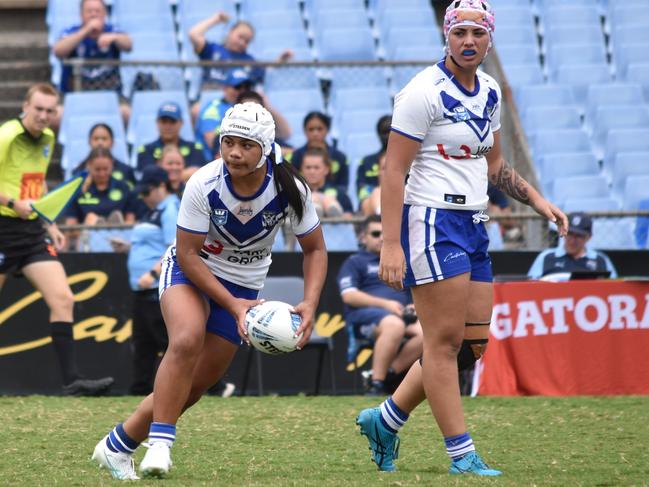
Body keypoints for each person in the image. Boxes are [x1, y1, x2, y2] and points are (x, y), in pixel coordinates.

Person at [356, 0, 569, 476]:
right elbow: (393, 169)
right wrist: (391, 244)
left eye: (477, 32)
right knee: (444, 343)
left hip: (473, 224)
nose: (468, 41)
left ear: (489, 39)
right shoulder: (422, 91)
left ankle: (385, 419)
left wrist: (537, 200)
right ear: (446, 37)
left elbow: (494, 166)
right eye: (460, 32)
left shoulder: (489, 90)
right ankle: (461, 454)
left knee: (471, 346)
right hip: (431, 221)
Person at [91, 102, 327, 480]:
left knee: (198, 383)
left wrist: (311, 303)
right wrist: (233, 306)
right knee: (185, 340)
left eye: (246, 145)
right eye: (227, 142)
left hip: (245, 286)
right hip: (191, 271)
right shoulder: (203, 182)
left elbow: (314, 249)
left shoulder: (290, 189)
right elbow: (186, 254)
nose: (234, 152)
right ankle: (162, 443)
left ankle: (117, 446)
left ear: (265, 148)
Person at [0, 83, 114, 396]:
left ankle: (71, 382)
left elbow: (32, 188)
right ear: (26, 106)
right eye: (38, 109)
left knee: (63, 298)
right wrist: (11, 205)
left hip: (31, 231)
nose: (44, 116)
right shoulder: (7, 135)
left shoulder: (48, 139)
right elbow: (14, 196)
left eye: (50, 111)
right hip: (3, 227)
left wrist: (48, 222)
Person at [338, 215, 423, 395]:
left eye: (386, 233)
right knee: (394, 325)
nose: (382, 238)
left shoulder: (402, 262)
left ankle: (387, 376)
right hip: (364, 319)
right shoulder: (354, 262)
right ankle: (377, 384)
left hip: (401, 315)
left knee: (428, 333)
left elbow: (414, 293)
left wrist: (414, 306)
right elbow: (349, 296)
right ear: (363, 237)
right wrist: (386, 305)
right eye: (376, 233)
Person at [120, 166, 179, 395]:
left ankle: (212, 386)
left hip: (157, 287)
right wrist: (128, 247)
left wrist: (153, 273)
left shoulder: (170, 208)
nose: (144, 197)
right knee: (143, 343)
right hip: (143, 289)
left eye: (148, 191)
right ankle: (140, 389)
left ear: (161, 187)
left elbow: (175, 247)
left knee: (166, 341)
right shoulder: (154, 210)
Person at [53, 0, 132, 121]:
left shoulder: (112, 30)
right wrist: (85, 31)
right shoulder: (71, 31)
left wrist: (114, 37)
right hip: (73, 94)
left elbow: (129, 45)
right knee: (55, 116)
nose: (93, 14)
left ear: (105, 14)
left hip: (111, 96)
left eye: (97, 11)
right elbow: (58, 51)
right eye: (89, 11)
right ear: (81, 14)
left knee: (127, 114)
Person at [528, 212, 618, 280]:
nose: (573, 240)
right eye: (569, 234)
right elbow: (530, 285)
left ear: (589, 237)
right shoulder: (546, 257)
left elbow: (614, 288)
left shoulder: (600, 260)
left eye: (579, 236)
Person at [194, 69, 253, 160]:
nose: (242, 91)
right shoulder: (213, 108)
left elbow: (282, 134)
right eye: (237, 87)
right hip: (213, 161)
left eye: (247, 87)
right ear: (225, 88)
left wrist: (265, 103)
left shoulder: (254, 108)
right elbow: (211, 140)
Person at [136, 102, 206, 172]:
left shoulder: (194, 149)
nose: (168, 126)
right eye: (164, 121)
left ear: (181, 123)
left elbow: (198, 174)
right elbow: (148, 176)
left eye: (172, 122)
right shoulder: (146, 150)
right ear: (157, 123)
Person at [287, 112, 349, 188]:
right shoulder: (294, 157)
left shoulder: (340, 157)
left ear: (327, 130)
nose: (315, 133)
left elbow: (343, 187)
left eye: (320, 129)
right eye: (311, 129)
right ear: (304, 131)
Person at [72, 123, 136, 189]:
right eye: (96, 139)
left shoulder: (126, 170)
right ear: (89, 142)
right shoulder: (79, 171)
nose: (100, 143)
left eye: (104, 139)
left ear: (112, 142)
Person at [301, 146, 354, 219]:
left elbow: (350, 217)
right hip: (304, 228)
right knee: (313, 199)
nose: (312, 171)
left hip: (335, 229)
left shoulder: (340, 193)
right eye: (308, 167)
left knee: (329, 202)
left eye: (316, 167)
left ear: (326, 170)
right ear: (302, 170)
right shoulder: (296, 193)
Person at [357, 115, 391, 204]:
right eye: (385, 132)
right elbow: (361, 192)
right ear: (378, 134)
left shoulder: (410, 162)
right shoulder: (366, 162)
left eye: (391, 132)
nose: (389, 136)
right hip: (370, 203)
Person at [360, 152, 386, 216]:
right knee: (377, 191)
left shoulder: (405, 189)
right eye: (384, 168)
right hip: (373, 221)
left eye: (391, 168)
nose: (387, 172)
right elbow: (365, 206)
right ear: (378, 172)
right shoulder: (368, 189)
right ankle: (381, 213)